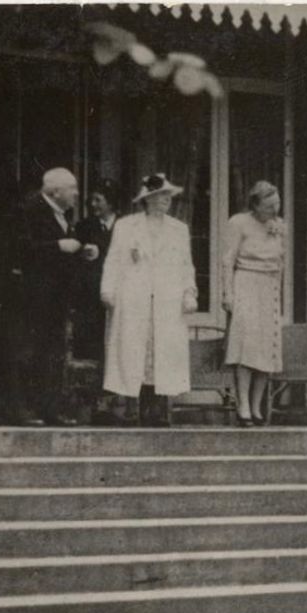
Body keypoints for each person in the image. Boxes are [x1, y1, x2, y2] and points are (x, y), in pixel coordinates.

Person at [3, 167, 100, 426]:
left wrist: (80, 251)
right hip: (32, 297)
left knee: (52, 353)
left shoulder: (61, 215)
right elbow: (18, 248)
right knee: (29, 351)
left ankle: (49, 409)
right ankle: (23, 409)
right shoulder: (28, 210)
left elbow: (56, 254)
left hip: (55, 298)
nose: (77, 194)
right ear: (55, 191)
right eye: (72, 189)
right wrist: (58, 246)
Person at [101, 174, 198, 427]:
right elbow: (112, 260)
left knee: (161, 352)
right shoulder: (126, 226)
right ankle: (131, 409)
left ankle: (156, 411)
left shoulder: (179, 229)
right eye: (162, 195)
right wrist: (107, 290)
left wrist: (189, 292)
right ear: (149, 199)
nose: (167, 199)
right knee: (134, 350)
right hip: (134, 297)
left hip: (167, 299)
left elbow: (187, 265)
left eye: (169, 195)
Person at [221, 180, 286, 426]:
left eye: (277, 204)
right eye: (269, 206)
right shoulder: (238, 223)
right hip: (246, 283)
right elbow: (228, 260)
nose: (274, 210)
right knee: (247, 347)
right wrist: (227, 294)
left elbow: (281, 263)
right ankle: (243, 405)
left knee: (266, 349)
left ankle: (257, 406)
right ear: (256, 205)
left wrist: (278, 295)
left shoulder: (279, 226)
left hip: (269, 288)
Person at [74, 180, 121, 425]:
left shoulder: (125, 227)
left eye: (98, 200)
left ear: (111, 202)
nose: (93, 205)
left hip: (117, 299)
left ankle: (113, 405)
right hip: (90, 300)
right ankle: (90, 406)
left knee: (115, 349)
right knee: (91, 350)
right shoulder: (84, 227)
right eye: (91, 200)